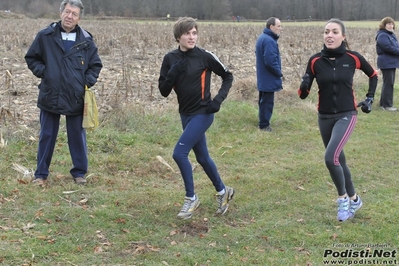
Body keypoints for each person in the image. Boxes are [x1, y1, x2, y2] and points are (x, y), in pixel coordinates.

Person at [298, 18, 378, 222]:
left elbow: (373, 74)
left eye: (334, 32)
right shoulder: (315, 61)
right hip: (324, 116)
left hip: (346, 114)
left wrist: (370, 98)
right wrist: (305, 83)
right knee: (338, 159)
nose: (329, 35)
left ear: (343, 36)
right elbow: (302, 95)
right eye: (326, 32)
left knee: (330, 157)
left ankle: (343, 200)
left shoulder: (352, 58)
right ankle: (354, 199)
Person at [158, 17, 235, 220]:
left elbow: (228, 76)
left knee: (179, 153)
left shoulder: (204, 56)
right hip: (185, 114)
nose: (192, 37)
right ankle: (223, 191)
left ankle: (191, 198)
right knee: (202, 157)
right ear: (178, 37)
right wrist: (173, 73)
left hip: (203, 113)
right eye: (187, 33)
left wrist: (218, 100)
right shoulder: (170, 59)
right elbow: (163, 91)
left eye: (194, 33)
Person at [25, 0, 103, 186]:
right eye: (67, 12)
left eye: (74, 14)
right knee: (47, 135)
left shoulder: (86, 40)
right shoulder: (45, 36)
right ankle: (41, 174)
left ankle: (79, 173)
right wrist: (45, 73)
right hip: (50, 93)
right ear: (61, 13)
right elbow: (31, 57)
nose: (70, 16)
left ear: (79, 17)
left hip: (76, 95)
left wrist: (86, 81)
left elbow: (95, 64)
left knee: (77, 136)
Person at [255, 17, 283, 132]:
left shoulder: (262, 38)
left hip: (263, 77)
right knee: (267, 102)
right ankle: (264, 125)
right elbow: (270, 61)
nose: (280, 28)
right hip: (268, 77)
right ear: (271, 27)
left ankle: (262, 121)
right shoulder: (269, 41)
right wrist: (279, 73)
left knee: (263, 100)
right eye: (278, 26)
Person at [375, 17, 399, 111]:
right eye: (388, 24)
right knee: (388, 83)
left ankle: (383, 103)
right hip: (386, 62)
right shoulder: (382, 35)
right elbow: (388, 47)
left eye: (392, 24)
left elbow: (396, 47)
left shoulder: (391, 35)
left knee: (388, 83)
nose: (391, 25)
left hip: (391, 62)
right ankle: (387, 105)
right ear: (384, 25)